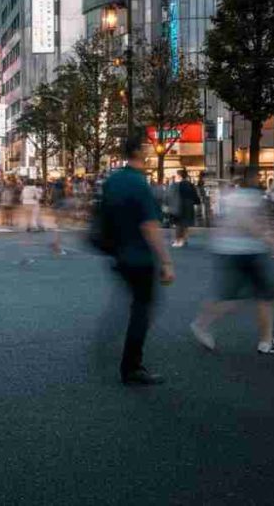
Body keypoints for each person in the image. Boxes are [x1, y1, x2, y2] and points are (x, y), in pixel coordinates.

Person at [98, 132, 175, 385]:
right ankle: (131, 366)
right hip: (139, 256)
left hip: (117, 252)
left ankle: (109, 341)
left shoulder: (113, 180)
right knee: (142, 308)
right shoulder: (140, 183)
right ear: (139, 151)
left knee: (134, 302)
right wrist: (165, 261)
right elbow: (150, 226)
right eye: (147, 148)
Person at [190, 178, 274, 355]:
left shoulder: (231, 196)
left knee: (232, 296)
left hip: (228, 249)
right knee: (266, 296)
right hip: (248, 251)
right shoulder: (251, 196)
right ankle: (266, 342)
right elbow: (247, 221)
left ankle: (201, 323)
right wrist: (272, 241)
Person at [172, 169, 201, 248]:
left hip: (179, 204)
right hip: (189, 205)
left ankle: (177, 239)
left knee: (178, 223)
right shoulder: (190, 184)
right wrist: (196, 202)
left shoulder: (176, 185)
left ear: (179, 176)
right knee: (185, 224)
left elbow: (172, 195)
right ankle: (184, 239)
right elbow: (195, 196)